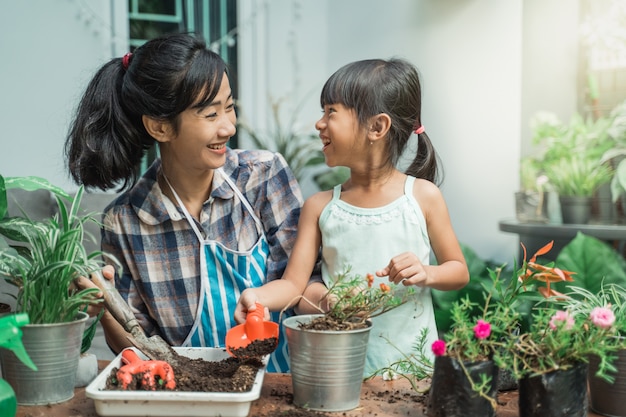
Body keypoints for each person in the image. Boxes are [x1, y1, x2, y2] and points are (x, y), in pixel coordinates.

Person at [65, 32, 307, 372]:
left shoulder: (262, 177)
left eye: (230, 107)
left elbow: (305, 282)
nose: (228, 127)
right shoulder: (124, 222)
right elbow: (139, 346)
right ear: (160, 127)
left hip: (282, 382)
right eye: (211, 115)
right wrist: (104, 306)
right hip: (191, 394)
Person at [235, 58, 469, 375]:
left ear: (377, 127)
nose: (319, 123)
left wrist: (426, 272)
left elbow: (458, 271)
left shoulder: (422, 197)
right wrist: (257, 296)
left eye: (331, 111)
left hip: (413, 375)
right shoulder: (320, 207)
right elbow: (294, 286)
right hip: (341, 373)